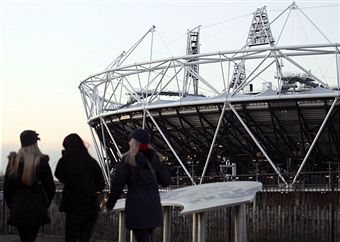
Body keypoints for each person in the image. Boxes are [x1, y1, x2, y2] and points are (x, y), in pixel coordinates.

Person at [106, 128, 172, 242]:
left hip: (137, 209)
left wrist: (109, 205)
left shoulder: (128, 159)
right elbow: (166, 181)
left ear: (133, 142)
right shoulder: (156, 157)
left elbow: (118, 184)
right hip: (153, 208)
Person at [4, 130, 56, 242]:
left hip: (19, 207)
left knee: (25, 237)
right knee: (31, 237)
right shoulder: (41, 162)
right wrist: (45, 203)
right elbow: (50, 187)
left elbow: (7, 188)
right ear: (35, 144)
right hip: (37, 207)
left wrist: (12, 204)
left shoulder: (14, 162)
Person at [55, 133, 105, 242]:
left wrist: (64, 157)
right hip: (90, 207)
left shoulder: (66, 162)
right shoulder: (92, 162)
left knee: (71, 237)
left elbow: (59, 175)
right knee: (85, 237)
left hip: (73, 207)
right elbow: (101, 184)